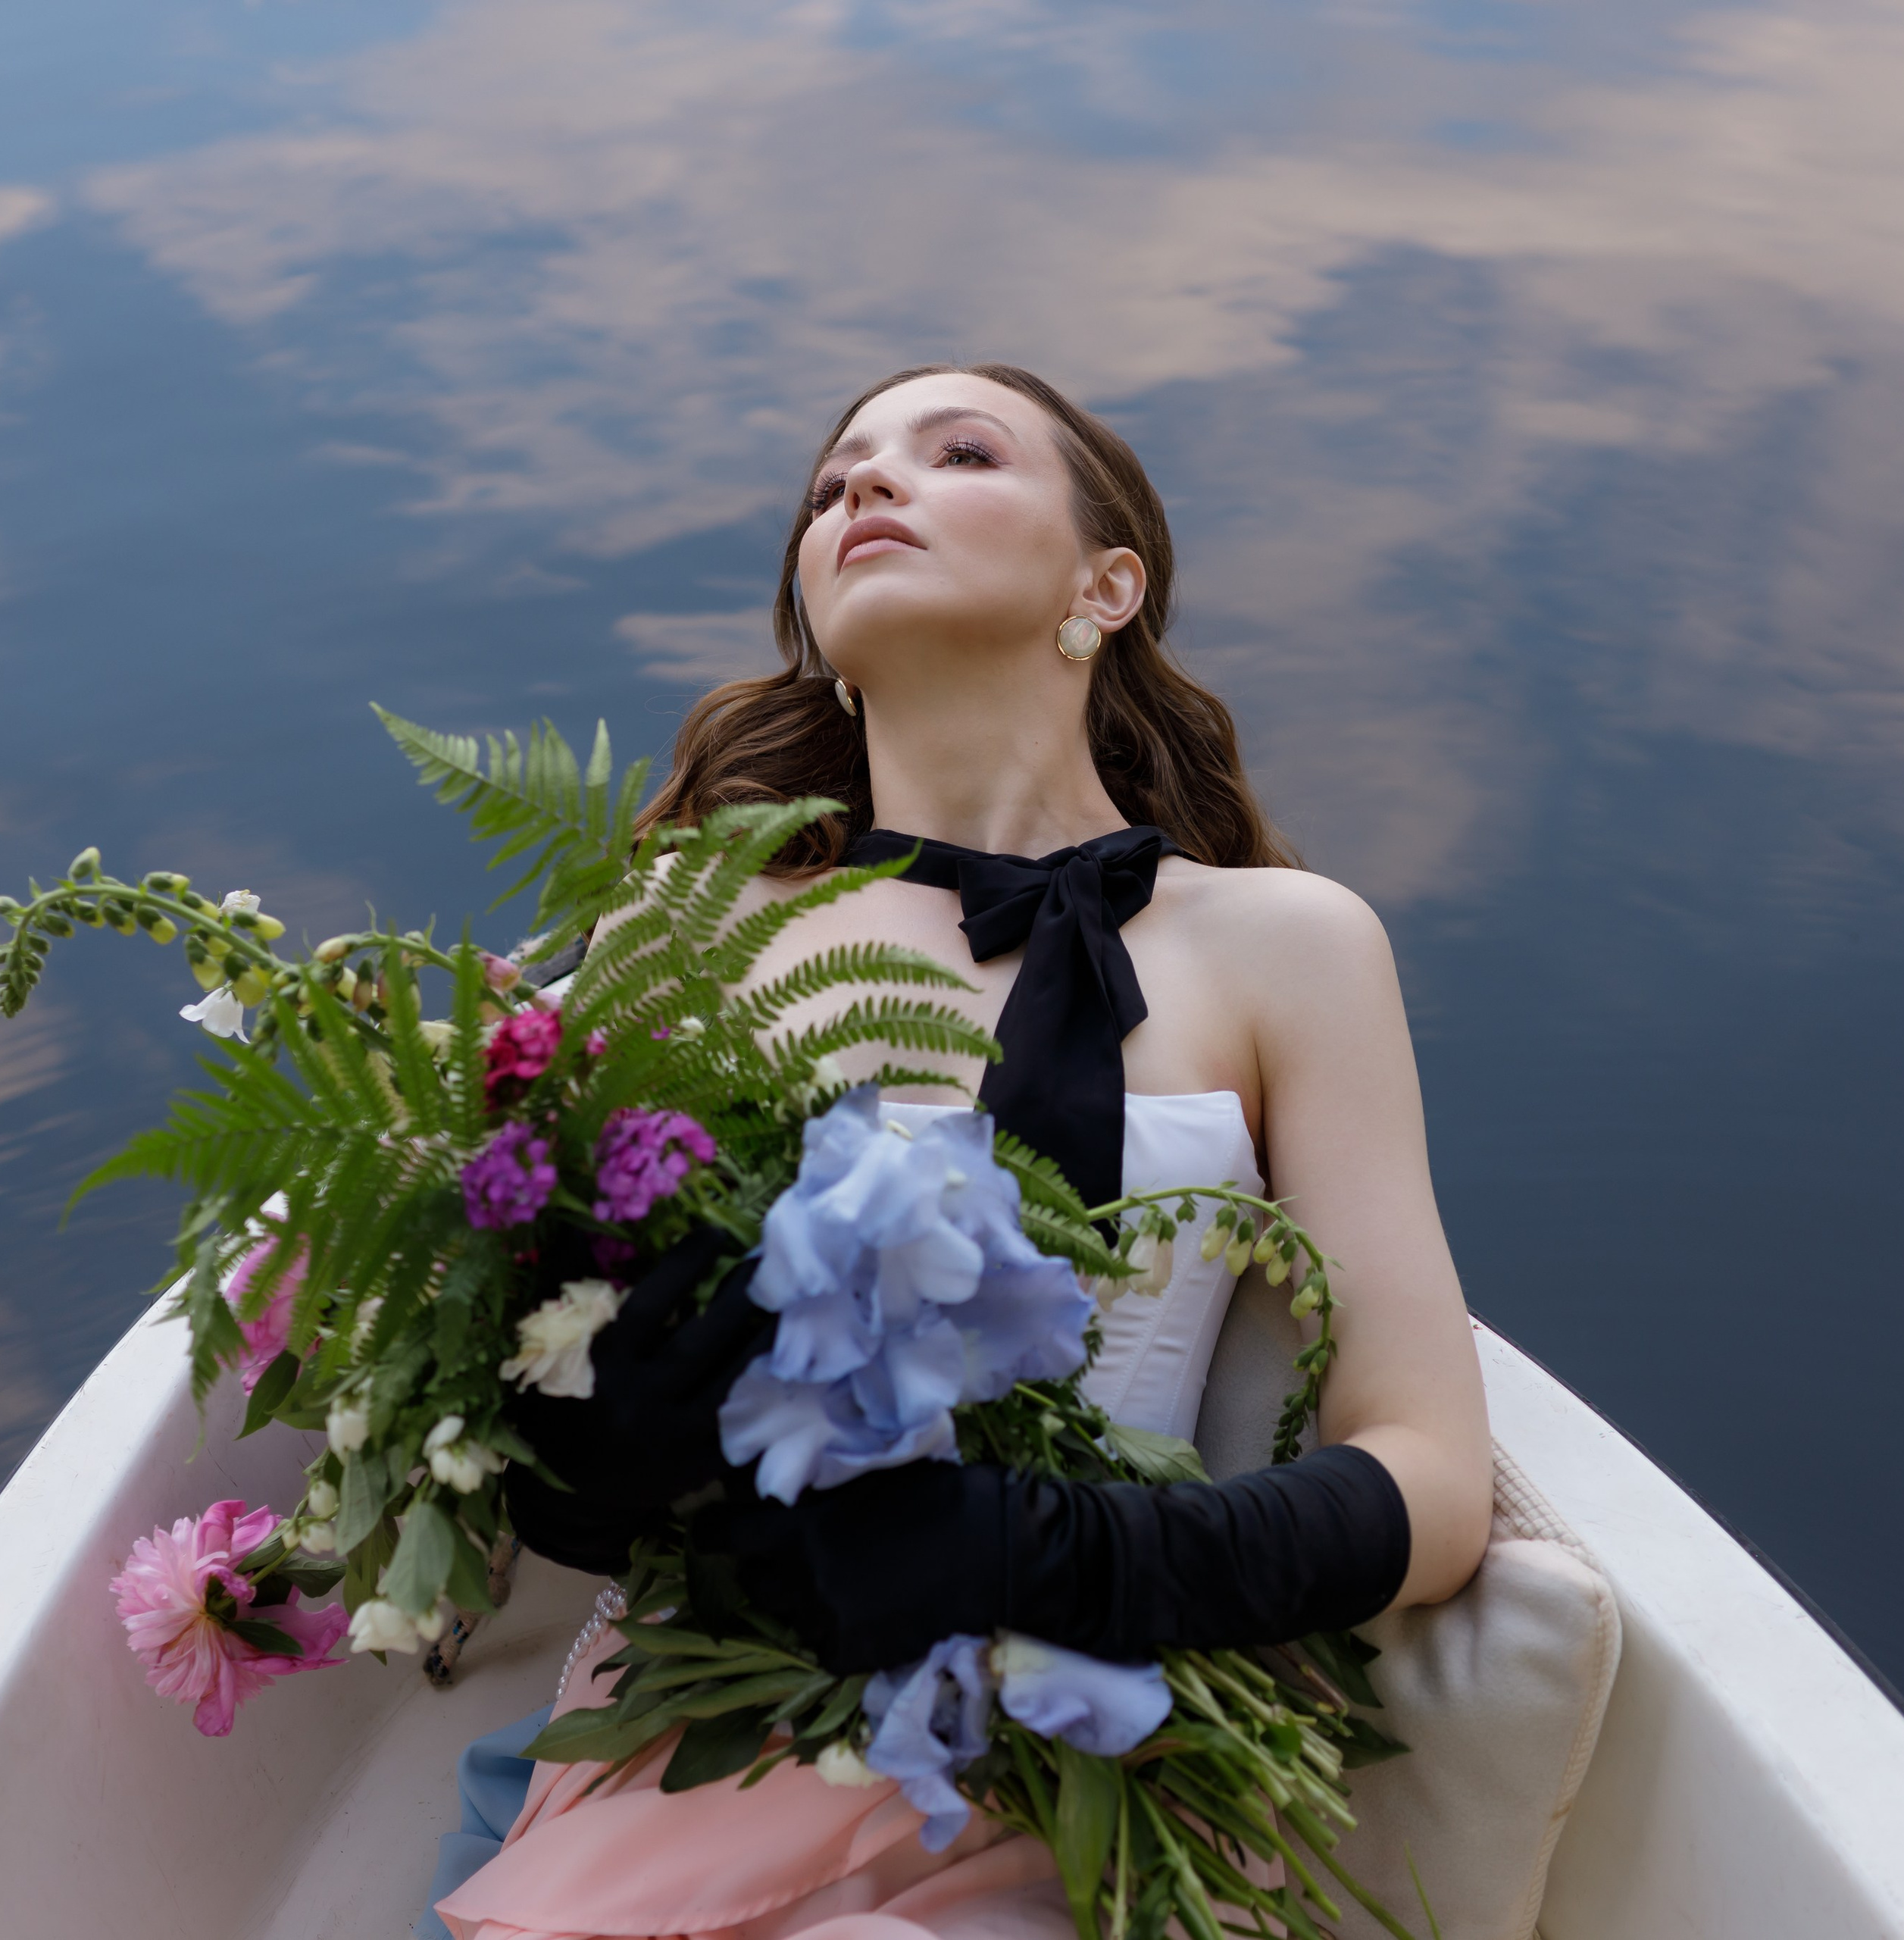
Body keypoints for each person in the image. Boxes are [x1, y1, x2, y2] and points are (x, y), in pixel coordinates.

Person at [427, 362, 1493, 1940]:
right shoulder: (692, 922)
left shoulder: (1288, 943)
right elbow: (562, 1456)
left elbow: (1431, 1477)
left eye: (956, 452)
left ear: (1103, 583)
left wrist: (1034, 1549)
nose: (863, 486)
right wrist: (608, 1433)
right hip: (695, 1727)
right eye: (830, 482)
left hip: (1085, 1745)